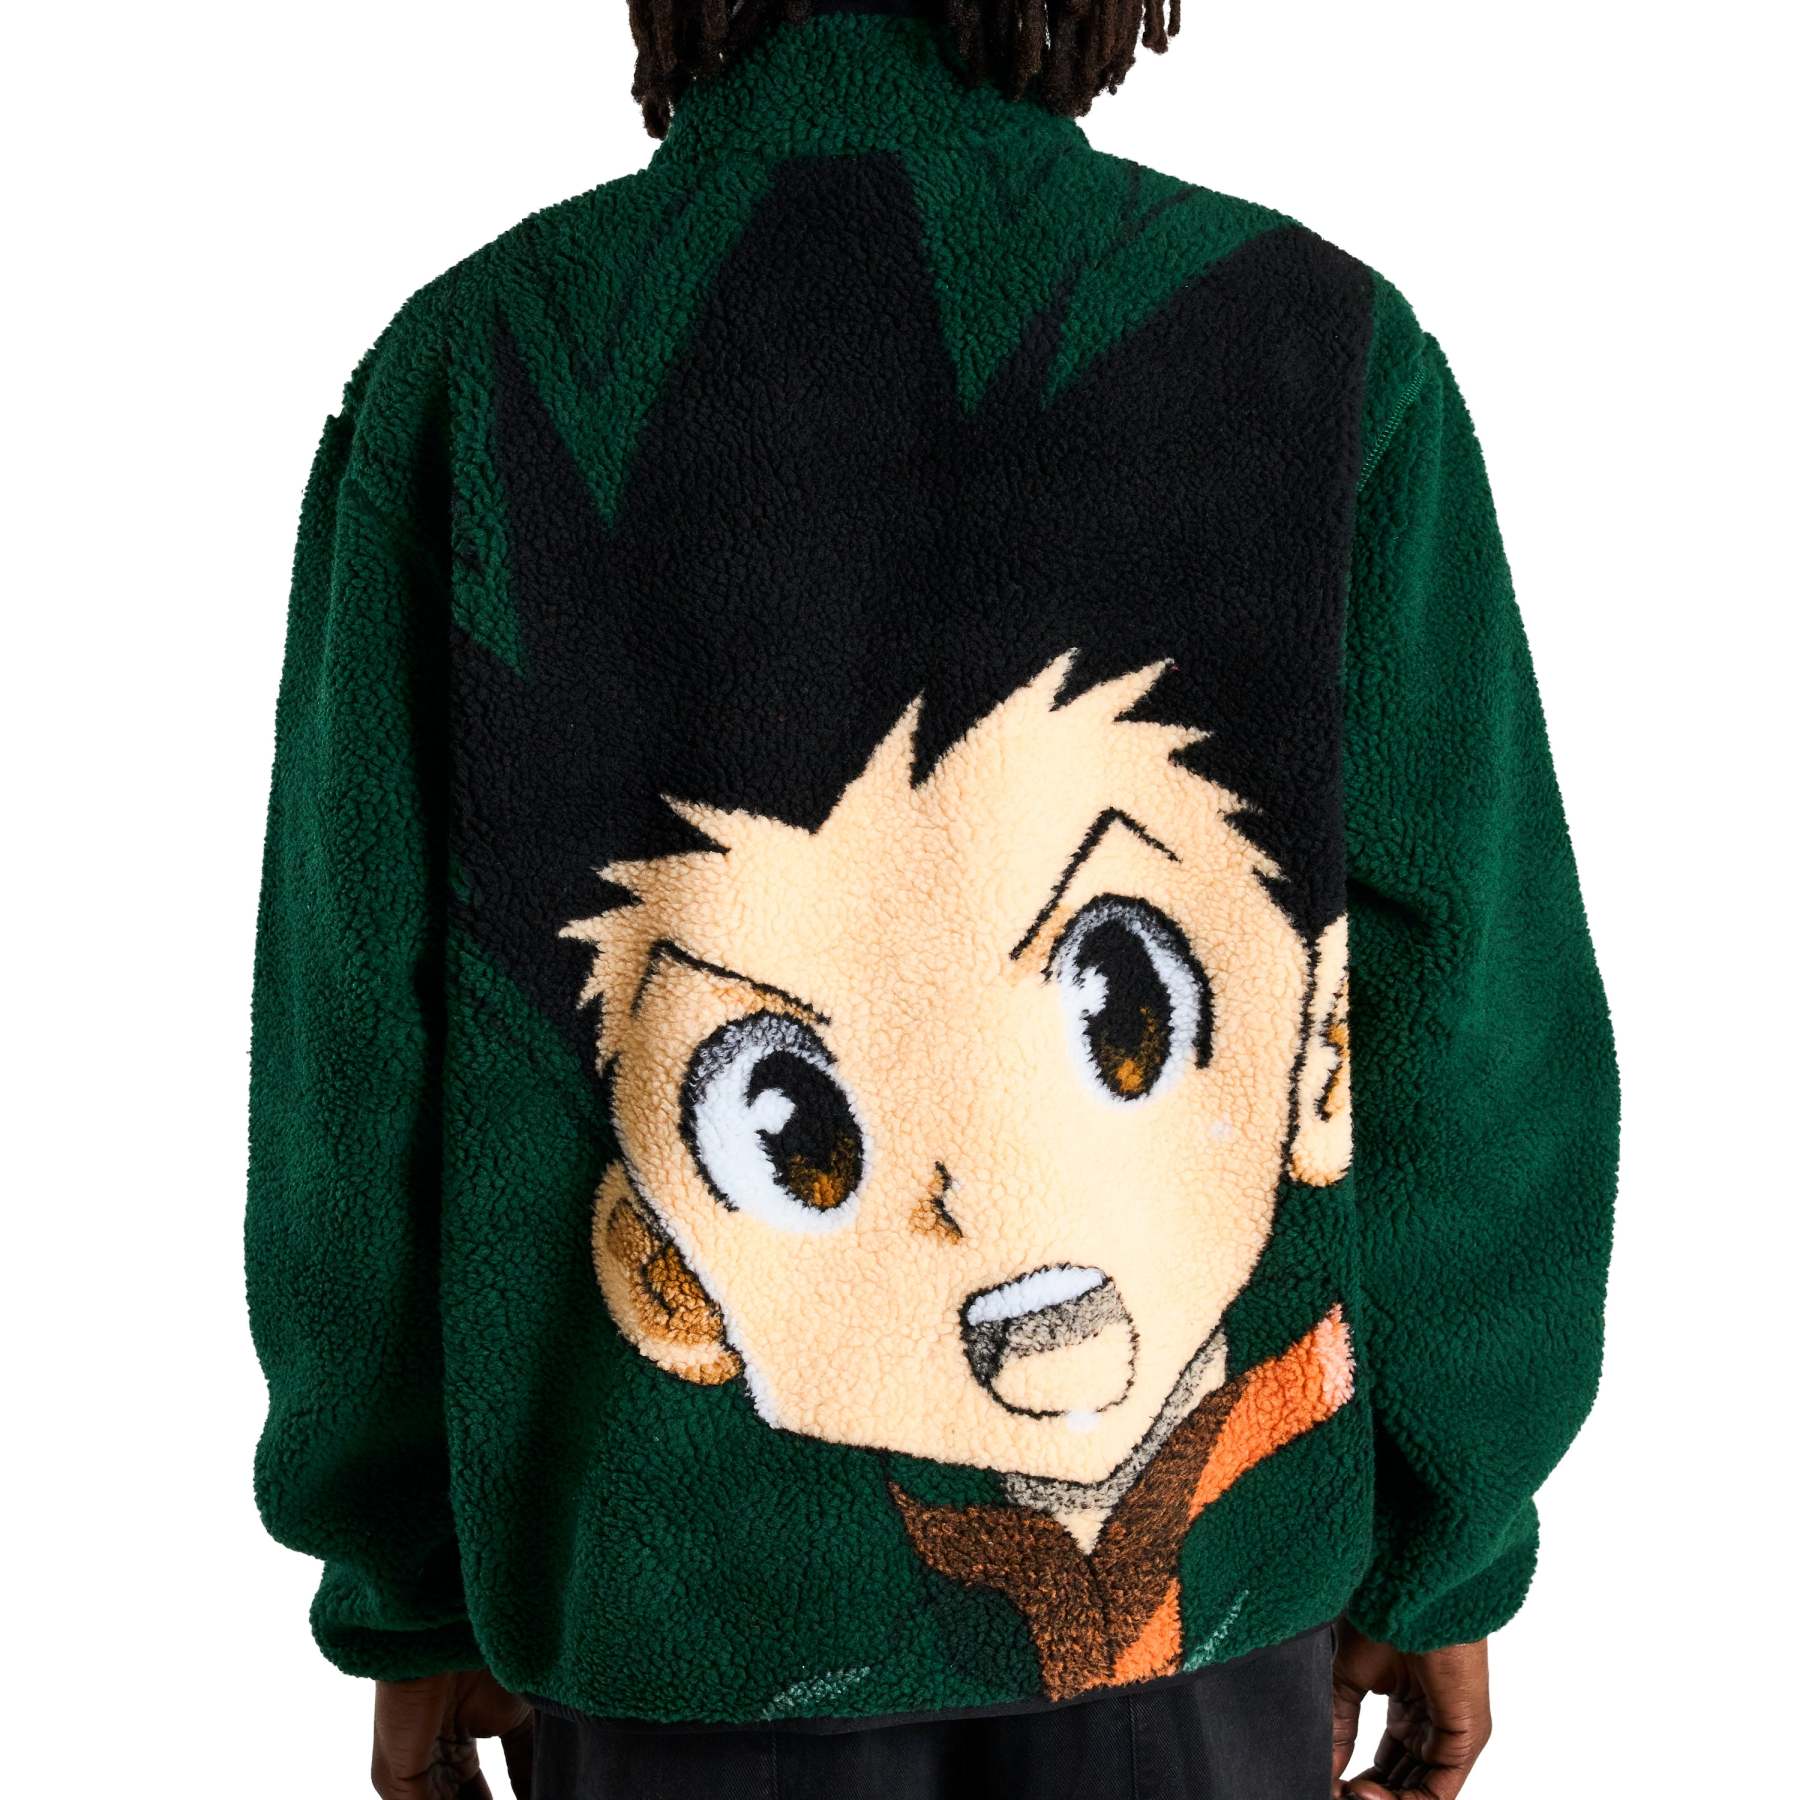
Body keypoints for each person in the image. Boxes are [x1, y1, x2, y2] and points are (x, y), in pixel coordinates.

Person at [245, 0, 1619, 1793]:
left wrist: (406, 1593)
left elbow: (356, 1064)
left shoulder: (473, 368)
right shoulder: (1315, 348)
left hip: (669, 1637)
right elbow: (1469, 1019)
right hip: (1214, 1645)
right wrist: (1453, 1540)